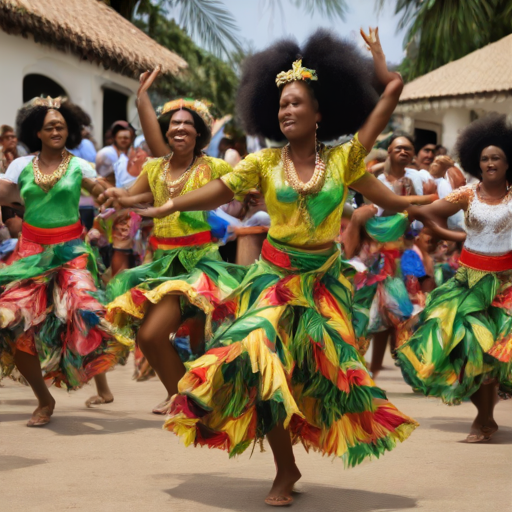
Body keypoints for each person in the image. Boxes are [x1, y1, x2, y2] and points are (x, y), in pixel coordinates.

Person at [133, 28, 418, 507]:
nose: (287, 110)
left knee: (315, 375)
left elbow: (391, 92)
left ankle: (295, 455)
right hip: (271, 280)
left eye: (297, 103)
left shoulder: (345, 158)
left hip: (322, 285)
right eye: (282, 104)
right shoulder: (263, 161)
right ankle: (284, 469)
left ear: (319, 113)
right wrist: (168, 205)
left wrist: (379, 61)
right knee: (258, 360)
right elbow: (222, 192)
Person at [101, 74, 233, 413]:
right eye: (174, 123)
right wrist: (117, 196)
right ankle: (184, 398)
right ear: (166, 129)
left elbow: (239, 190)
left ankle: (192, 399)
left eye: (188, 124)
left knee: (196, 338)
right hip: (163, 261)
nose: (180, 129)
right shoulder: (155, 167)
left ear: (199, 132)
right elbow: (131, 196)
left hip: (200, 262)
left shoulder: (213, 166)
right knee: (148, 337)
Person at [0, 97, 130, 427]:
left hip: (71, 253)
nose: (57, 129)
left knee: (86, 314)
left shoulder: (78, 166)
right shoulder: (20, 168)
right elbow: (5, 195)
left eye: (61, 125)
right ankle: (44, 400)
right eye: (49, 126)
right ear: (37, 133)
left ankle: (100, 383)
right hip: (29, 255)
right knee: (13, 324)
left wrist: (110, 204)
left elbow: (101, 192)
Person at [396, 113, 512, 443]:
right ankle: (484, 418)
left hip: (506, 286)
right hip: (467, 284)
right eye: (485, 158)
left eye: (497, 158)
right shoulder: (467, 194)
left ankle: (485, 419)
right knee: (471, 352)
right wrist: (457, 237)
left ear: (508, 163)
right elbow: (424, 215)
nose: (490, 163)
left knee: (495, 357)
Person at [95, 121, 135, 185]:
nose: (123, 140)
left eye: (126, 138)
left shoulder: (135, 153)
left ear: (131, 139)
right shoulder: (106, 153)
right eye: (120, 138)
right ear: (115, 138)